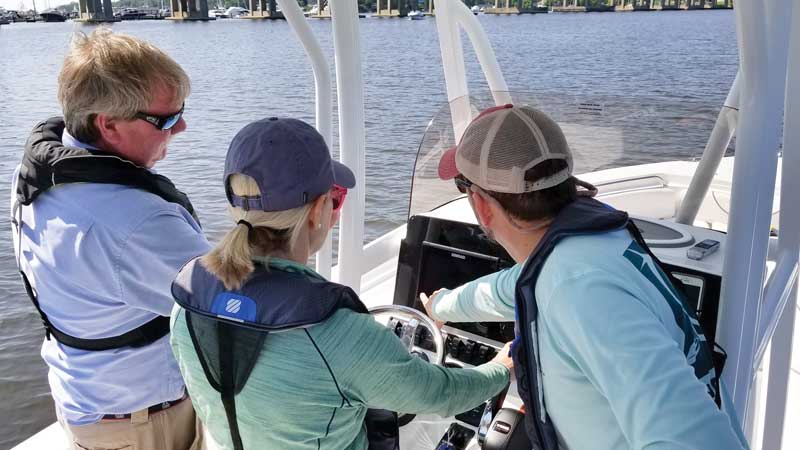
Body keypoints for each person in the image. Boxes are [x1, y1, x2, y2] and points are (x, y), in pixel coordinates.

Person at [169, 117, 514, 450]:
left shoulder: (185, 304)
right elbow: (440, 394)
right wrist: (500, 368)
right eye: (335, 199)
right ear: (320, 209)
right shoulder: (337, 331)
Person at [423, 104, 749, 450]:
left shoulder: (579, 290)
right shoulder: (588, 239)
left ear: (482, 205)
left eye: (464, 187)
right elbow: (513, 286)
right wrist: (442, 306)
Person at [10, 29, 209, 450]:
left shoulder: (37, 174)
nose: (183, 126)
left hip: (84, 403)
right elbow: (236, 308)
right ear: (109, 125)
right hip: (143, 424)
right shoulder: (137, 222)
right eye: (167, 119)